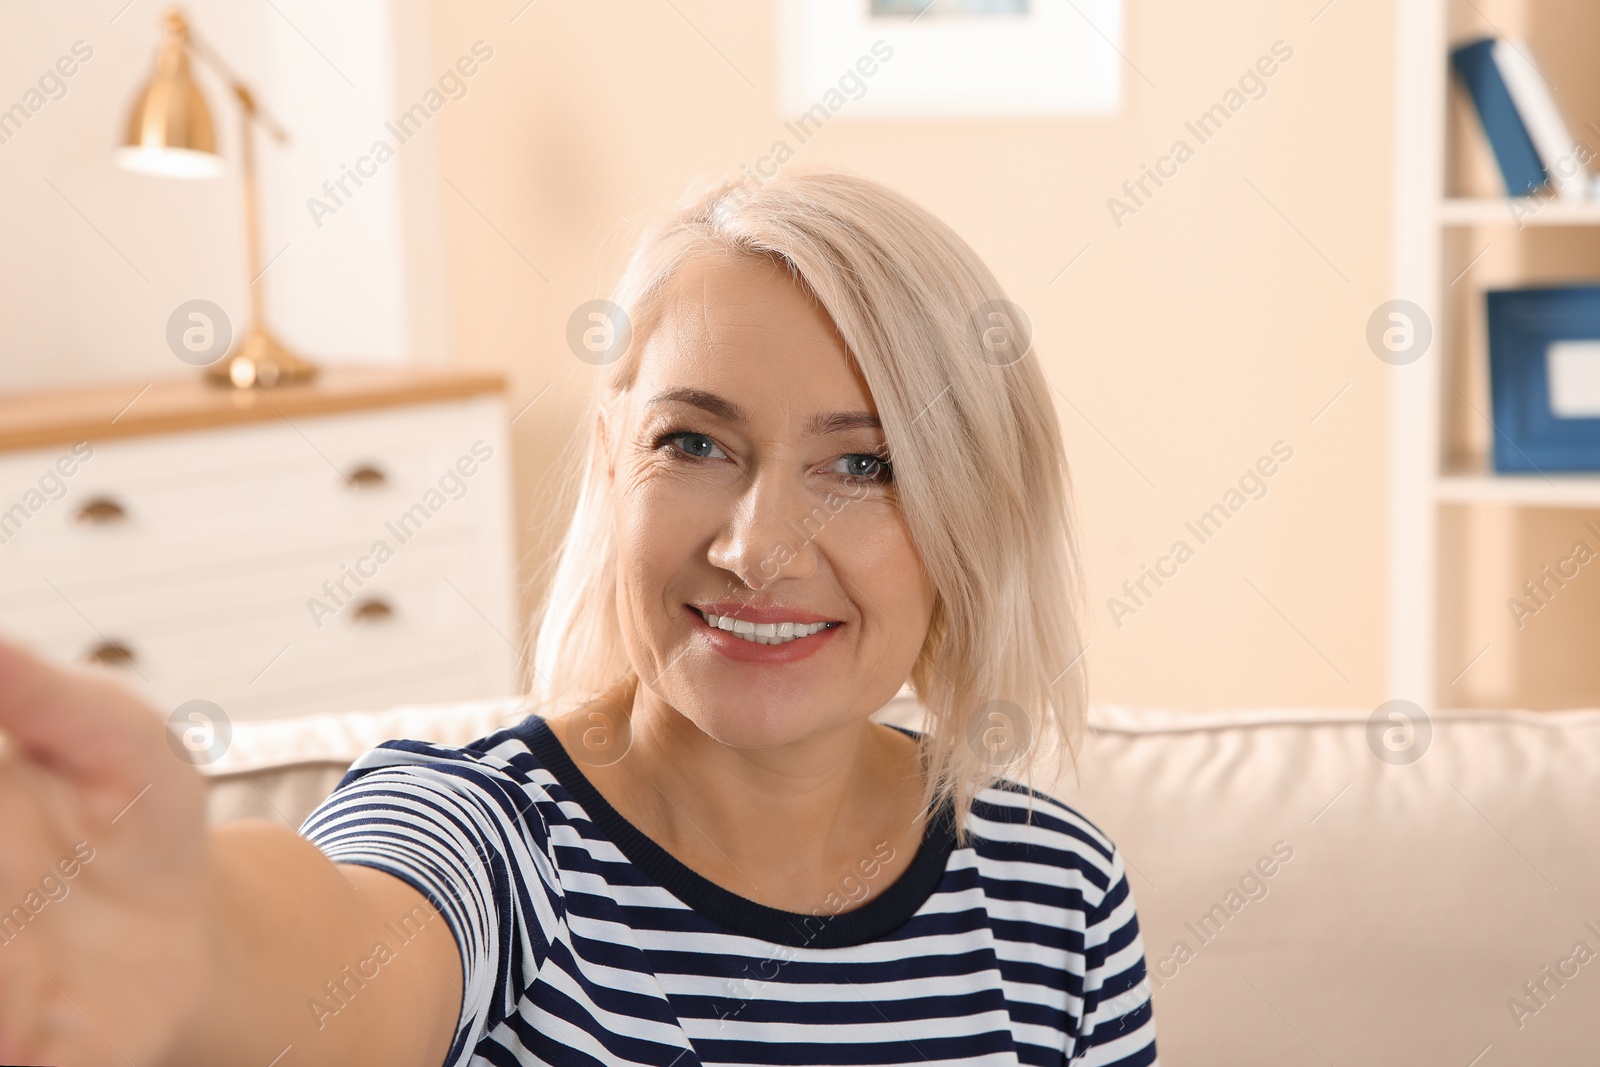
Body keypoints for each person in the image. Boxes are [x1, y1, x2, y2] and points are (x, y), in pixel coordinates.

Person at [0, 167, 1157, 1066]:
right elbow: (351, 942)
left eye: (862, 464)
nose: (754, 546)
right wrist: (185, 933)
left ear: (971, 509)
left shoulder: (1054, 895)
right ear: (612, 466)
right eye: (693, 443)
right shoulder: (493, 839)